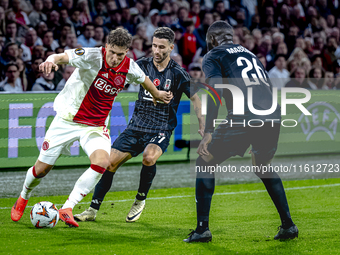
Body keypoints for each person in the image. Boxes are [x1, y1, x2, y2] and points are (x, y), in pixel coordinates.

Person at [10, 28, 173, 228]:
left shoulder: (129, 66)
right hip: (67, 120)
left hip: (95, 126)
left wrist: (156, 94)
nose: (114, 58)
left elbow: (143, 79)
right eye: (112, 52)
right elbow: (62, 56)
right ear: (106, 47)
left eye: (120, 54)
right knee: (41, 170)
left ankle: (67, 208)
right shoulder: (91, 55)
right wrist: (51, 60)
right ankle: (23, 196)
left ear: (126, 53)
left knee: (102, 162)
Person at [73, 27, 205, 223]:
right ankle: (92, 210)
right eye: (154, 45)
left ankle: (140, 200)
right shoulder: (140, 65)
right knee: (109, 163)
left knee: (149, 157)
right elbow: (115, 77)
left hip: (161, 127)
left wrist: (203, 126)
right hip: (136, 127)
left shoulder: (178, 73)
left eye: (161, 47)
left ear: (171, 47)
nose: (157, 51)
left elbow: (196, 99)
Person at [183, 21, 298, 242]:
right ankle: (288, 226)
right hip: (272, 114)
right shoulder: (250, 54)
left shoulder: (213, 55)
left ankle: (201, 229)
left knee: (205, 161)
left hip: (245, 115)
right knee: (262, 166)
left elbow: (215, 89)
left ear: (213, 40)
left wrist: (209, 130)